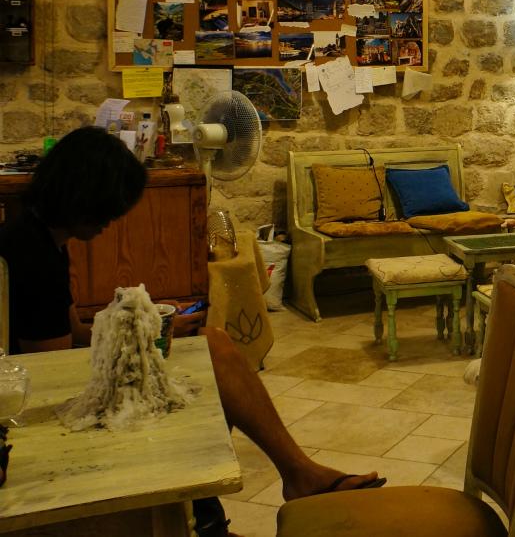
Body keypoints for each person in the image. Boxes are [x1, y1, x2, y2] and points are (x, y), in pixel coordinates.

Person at [0, 128, 385, 519]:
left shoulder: (46, 239)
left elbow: (78, 333)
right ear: (83, 197)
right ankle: (274, 485)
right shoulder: (31, 257)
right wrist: (142, 346)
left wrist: (151, 325)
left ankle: (283, 480)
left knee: (212, 343)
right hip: (37, 398)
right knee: (210, 369)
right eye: (110, 208)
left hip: (49, 372)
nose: (112, 221)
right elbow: (51, 367)